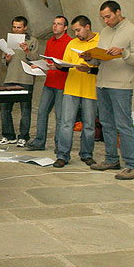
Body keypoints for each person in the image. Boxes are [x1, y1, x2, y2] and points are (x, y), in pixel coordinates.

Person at [83, 0, 134, 180]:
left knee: (123, 125)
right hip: (102, 83)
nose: (106, 21)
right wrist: (90, 58)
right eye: (103, 18)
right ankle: (111, 159)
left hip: (121, 86)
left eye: (108, 17)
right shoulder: (105, 31)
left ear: (118, 12)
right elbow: (101, 59)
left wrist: (123, 53)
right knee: (106, 124)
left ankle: (132, 166)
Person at [52, 16, 99, 167]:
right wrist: (58, 65)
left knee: (89, 125)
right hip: (71, 88)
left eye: (78, 30)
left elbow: (104, 67)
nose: (76, 34)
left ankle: (86, 154)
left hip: (90, 89)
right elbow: (66, 65)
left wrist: (89, 69)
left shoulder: (100, 41)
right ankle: (62, 155)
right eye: (74, 31)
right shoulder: (72, 43)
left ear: (88, 27)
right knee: (66, 123)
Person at [26, 16, 73, 151]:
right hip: (49, 82)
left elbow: (69, 64)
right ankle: (39, 141)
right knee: (42, 112)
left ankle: (60, 145)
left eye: (59, 24)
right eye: (54, 23)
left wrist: (57, 66)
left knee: (60, 116)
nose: (55, 26)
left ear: (65, 28)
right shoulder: (50, 42)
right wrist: (39, 66)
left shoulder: (70, 43)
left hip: (62, 84)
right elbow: (47, 61)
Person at [0, 16, 39, 146]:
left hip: (25, 79)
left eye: (19, 27)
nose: (16, 30)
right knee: (4, 108)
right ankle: (9, 135)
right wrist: (7, 58)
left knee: (25, 109)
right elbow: (3, 62)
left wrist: (26, 50)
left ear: (25, 28)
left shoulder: (32, 41)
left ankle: (24, 136)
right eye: (14, 27)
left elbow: (35, 59)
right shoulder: (8, 41)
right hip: (10, 78)